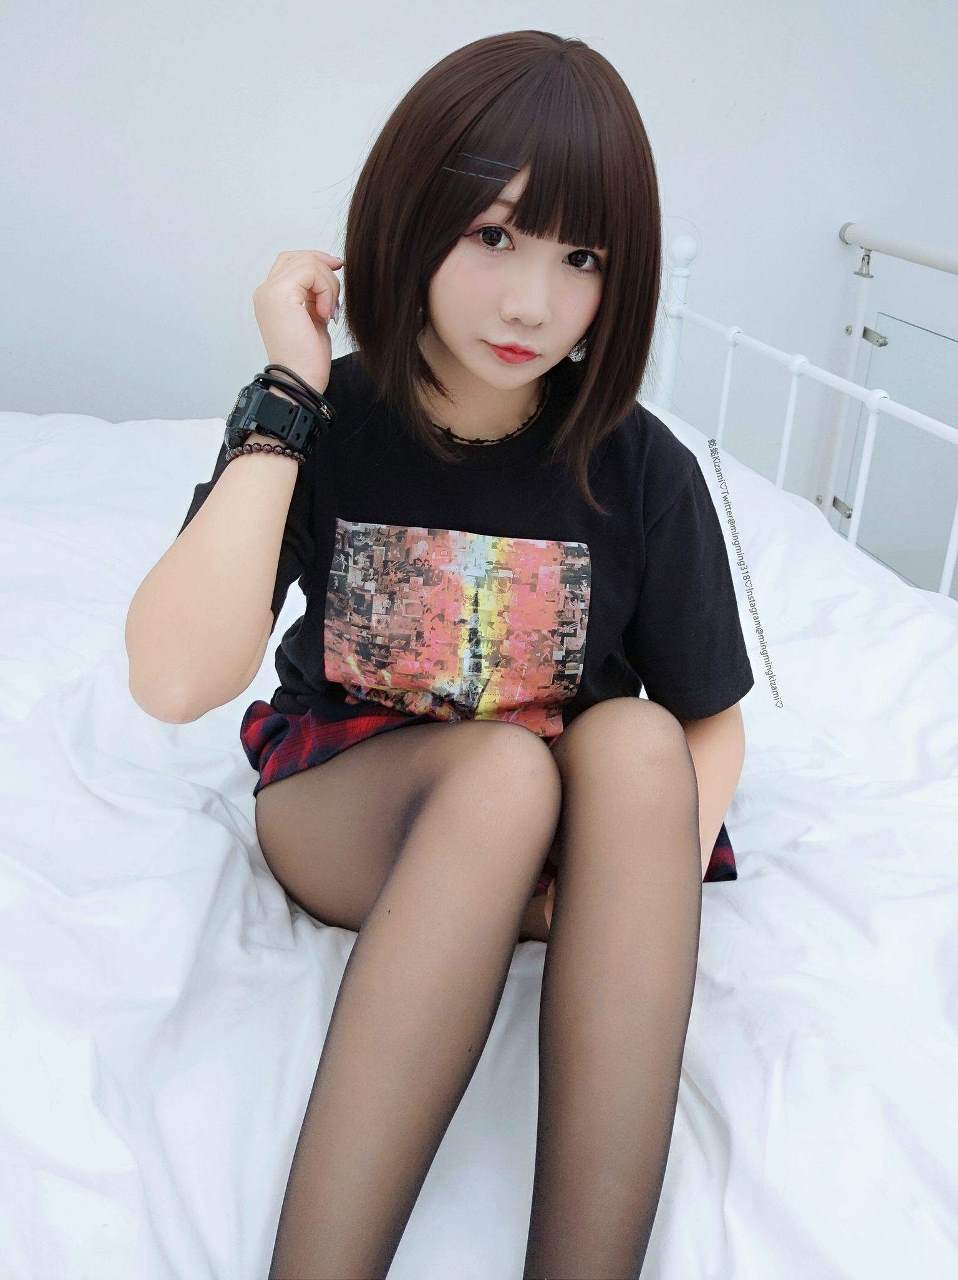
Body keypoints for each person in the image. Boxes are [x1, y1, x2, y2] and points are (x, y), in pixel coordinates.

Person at [127, 29, 754, 1280]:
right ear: (412, 216)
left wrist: (621, 890)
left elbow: (707, 721)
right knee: (502, 771)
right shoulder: (335, 420)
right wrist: (287, 392)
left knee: (633, 736)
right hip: (352, 806)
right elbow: (172, 679)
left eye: (582, 257)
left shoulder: (643, 469)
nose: (533, 303)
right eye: (494, 235)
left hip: (550, 850)